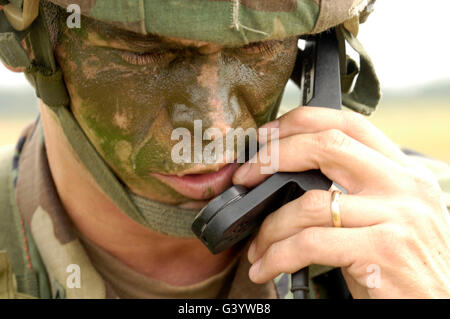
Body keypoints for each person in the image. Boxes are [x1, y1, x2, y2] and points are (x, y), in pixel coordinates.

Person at [0, 0, 448, 299]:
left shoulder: (431, 240)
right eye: (144, 54)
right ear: (31, 46)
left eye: (256, 47)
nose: (213, 127)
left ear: (320, 53)